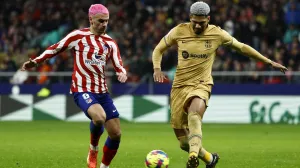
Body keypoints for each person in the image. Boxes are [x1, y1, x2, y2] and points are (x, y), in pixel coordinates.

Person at [152, 1, 288, 168]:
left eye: (201, 23)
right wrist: (157, 69)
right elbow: (158, 49)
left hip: (202, 84)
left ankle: (193, 156)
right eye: (194, 22)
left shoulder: (217, 34)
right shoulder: (179, 30)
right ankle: (209, 159)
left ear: (208, 19)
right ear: (190, 18)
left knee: (194, 114)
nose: (197, 26)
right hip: (179, 86)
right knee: (183, 143)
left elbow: (242, 47)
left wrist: (269, 62)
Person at [21, 4, 127, 168]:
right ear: (91, 20)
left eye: (106, 21)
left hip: (102, 92)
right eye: (101, 21)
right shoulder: (78, 36)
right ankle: (93, 149)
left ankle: (104, 167)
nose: (104, 24)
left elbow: (118, 64)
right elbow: (55, 48)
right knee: (99, 118)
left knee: (116, 134)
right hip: (82, 89)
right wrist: (36, 61)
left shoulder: (110, 42)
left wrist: (122, 73)